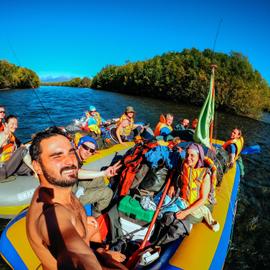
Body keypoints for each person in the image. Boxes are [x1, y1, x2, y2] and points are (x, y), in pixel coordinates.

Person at [26, 127, 127, 270]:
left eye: (71, 152)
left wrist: (101, 252)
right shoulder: (51, 214)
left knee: (92, 222)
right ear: (37, 166)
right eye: (57, 156)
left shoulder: (63, 190)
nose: (70, 161)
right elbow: (78, 256)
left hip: (94, 250)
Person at [168, 143, 219, 231]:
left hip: (199, 206)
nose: (188, 158)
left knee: (180, 221)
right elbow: (178, 174)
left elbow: (203, 199)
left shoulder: (205, 174)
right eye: (187, 154)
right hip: (185, 201)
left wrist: (185, 212)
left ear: (199, 157)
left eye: (192, 155)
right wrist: (172, 186)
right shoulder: (185, 164)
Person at [74, 134, 121, 216]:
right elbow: (76, 173)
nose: (88, 152)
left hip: (74, 185)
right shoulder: (72, 159)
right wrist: (104, 173)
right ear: (79, 146)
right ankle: (96, 215)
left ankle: (98, 198)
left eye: (91, 150)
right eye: (85, 148)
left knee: (100, 179)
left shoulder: (75, 155)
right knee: (108, 193)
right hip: (70, 198)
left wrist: (102, 175)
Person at [0, 115, 33, 180]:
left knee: (28, 169)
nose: (15, 126)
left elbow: (21, 145)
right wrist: (3, 142)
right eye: (12, 124)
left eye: (16, 124)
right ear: (5, 124)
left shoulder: (12, 137)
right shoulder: (2, 135)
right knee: (22, 150)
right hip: (1, 170)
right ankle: (36, 172)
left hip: (9, 165)